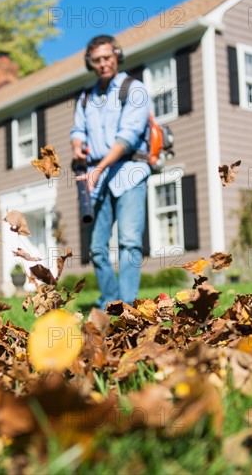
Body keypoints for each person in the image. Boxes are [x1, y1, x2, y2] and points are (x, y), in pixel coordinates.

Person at [70, 34, 151, 309]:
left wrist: (99, 167)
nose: (103, 63)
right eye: (97, 60)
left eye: (107, 57)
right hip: (98, 177)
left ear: (117, 55)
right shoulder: (86, 98)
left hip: (129, 171)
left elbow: (127, 137)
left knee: (129, 241)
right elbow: (78, 129)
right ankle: (110, 300)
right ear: (89, 63)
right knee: (96, 248)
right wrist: (77, 143)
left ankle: (127, 305)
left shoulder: (134, 89)